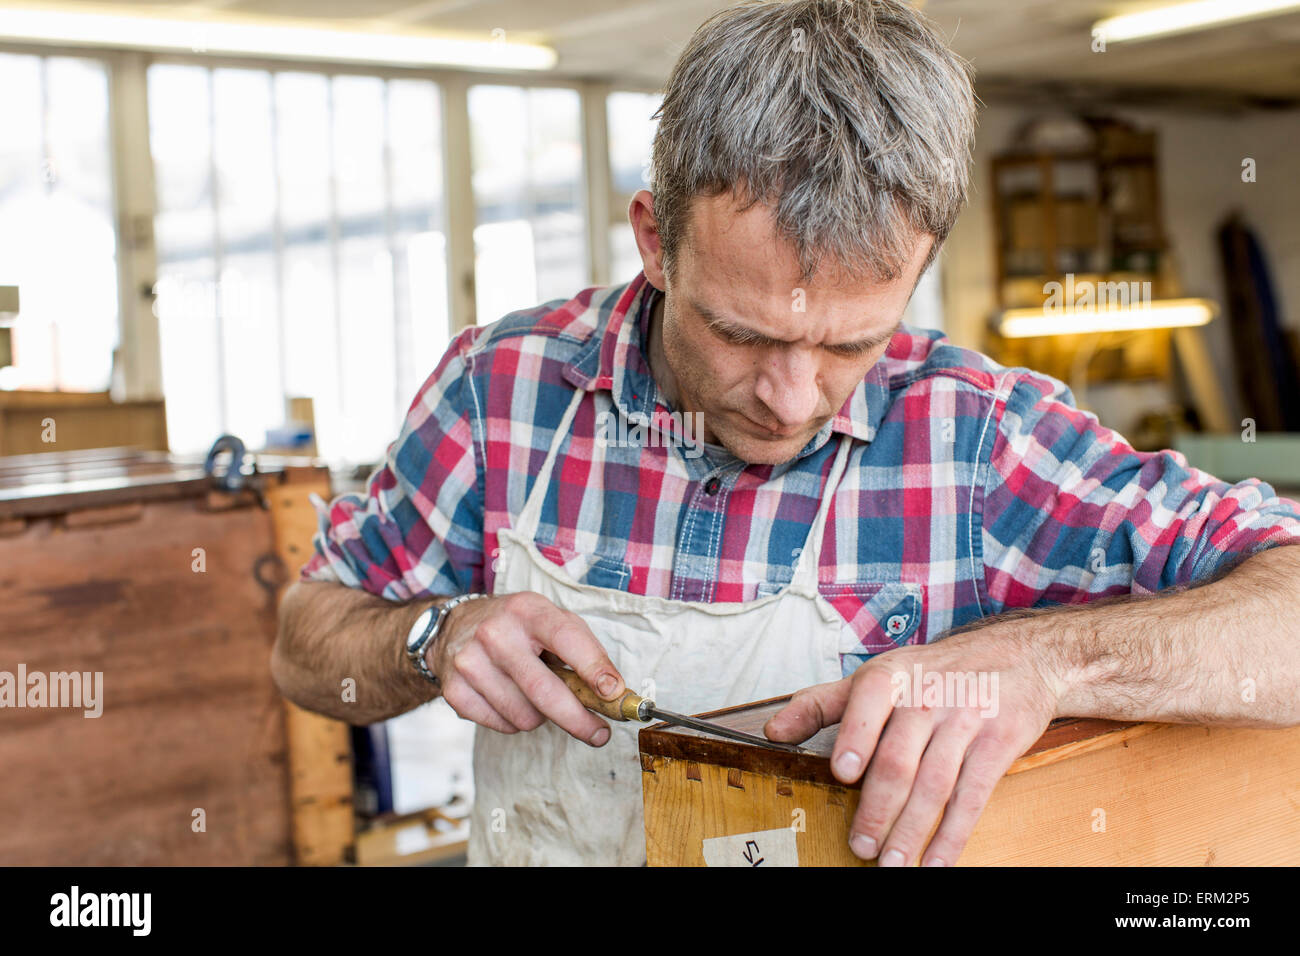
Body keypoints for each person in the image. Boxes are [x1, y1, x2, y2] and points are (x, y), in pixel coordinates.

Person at [272, 0, 1300, 866]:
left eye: (852, 343)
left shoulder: (980, 443)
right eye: (740, 332)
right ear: (655, 238)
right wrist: (427, 635)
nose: (791, 396)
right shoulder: (502, 393)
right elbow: (303, 645)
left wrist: (1047, 662)